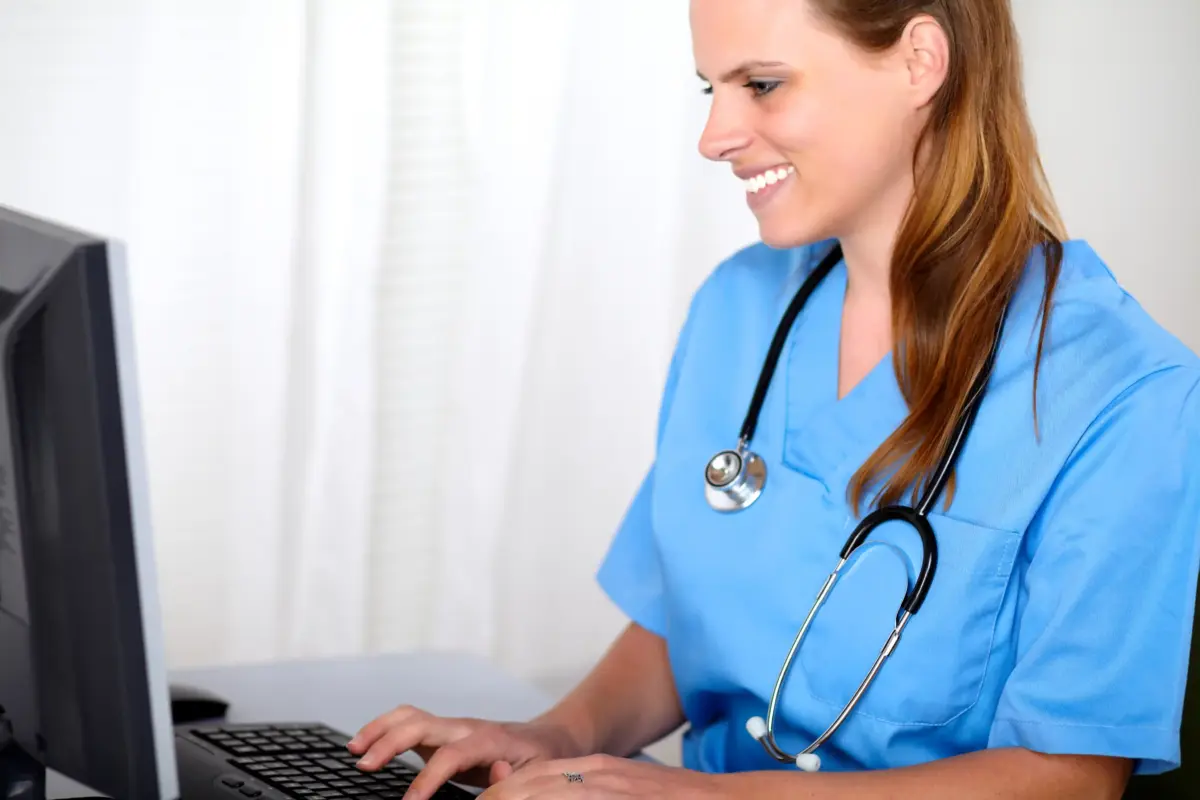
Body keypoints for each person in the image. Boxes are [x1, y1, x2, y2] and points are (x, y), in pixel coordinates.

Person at [350, 0, 1200, 797]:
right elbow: (682, 618)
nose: (715, 136)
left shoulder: (1124, 393)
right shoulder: (739, 308)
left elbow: (1070, 779)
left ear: (918, 61)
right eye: (709, 89)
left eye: (761, 85)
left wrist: (705, 797)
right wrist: (560, 736)